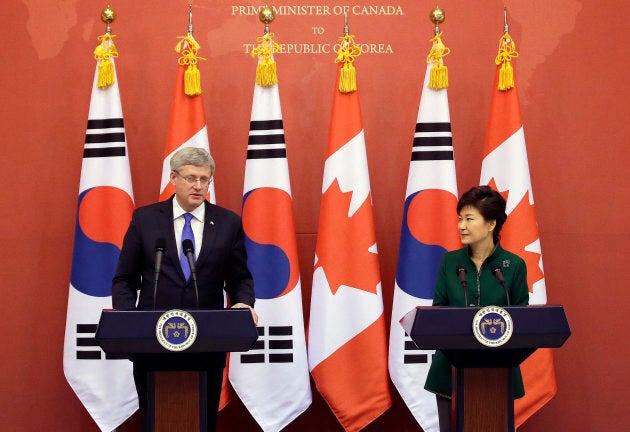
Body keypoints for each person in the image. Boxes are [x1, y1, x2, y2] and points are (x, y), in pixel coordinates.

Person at [112, 146, 257, 432]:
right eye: (191, 178)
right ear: (173, 178)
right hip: (151, 343)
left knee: (203, 420)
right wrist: (128, 322)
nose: (199, 186)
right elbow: (124, 279)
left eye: (205, 179)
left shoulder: (228, 223)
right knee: (154, 419)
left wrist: (243, 303)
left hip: (207, 343)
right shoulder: (145, 220)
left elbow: (240, 278)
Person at [424, 185, 529, 432]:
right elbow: (438, 309)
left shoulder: (513, 265)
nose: (461, 225)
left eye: (469, 219)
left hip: (498, 373)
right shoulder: (451, 262)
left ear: (491, 224)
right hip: (449, 371)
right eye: (460, 219)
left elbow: (523, 320)